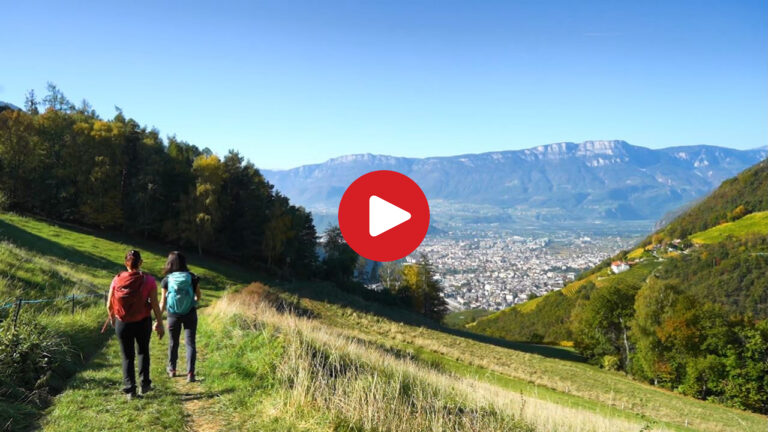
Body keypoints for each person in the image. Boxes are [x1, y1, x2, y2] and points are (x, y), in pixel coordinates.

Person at [107, 250, 164, 399]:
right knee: (143, 352)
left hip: (122, 323)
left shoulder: (117, 279)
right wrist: (159, 322)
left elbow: (109, 305)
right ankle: (144, 385)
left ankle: (130, 390)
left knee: (127, 356)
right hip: (142, 321)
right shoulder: (149, 280)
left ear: (125, 263)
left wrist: (113, 319)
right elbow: (155, 305)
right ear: (141, 263)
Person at [160, 251, 201, 383]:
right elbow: (198, 296)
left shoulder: (166, 280)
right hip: (190, 313)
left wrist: (158, 318)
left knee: (173, 342)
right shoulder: (192, 277)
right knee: (190, 343)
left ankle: (172, 370)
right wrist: (192, 301)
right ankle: (191, 373)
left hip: (173, 315)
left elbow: (162, 302)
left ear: (169, 263)